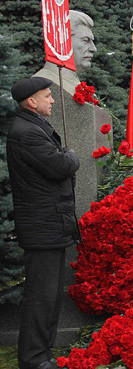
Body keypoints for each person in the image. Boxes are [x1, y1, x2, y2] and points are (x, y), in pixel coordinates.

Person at [7, 77, 80, 369]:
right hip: (43, 225)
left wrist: (65, 160)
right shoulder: (27, 132)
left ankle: (43, 354)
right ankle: (34, 358)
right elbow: (60, 165)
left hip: (51, 224)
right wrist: (71, 156)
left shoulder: (32, 127)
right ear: (31, 102)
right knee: (40, 297)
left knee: (49, 296)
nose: (52, 100)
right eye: (47, 96)